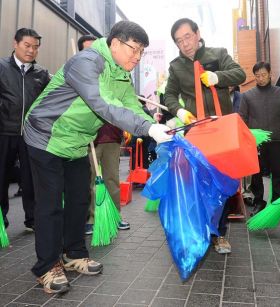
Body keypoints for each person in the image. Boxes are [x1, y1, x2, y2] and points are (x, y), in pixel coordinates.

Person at [23, 21, 172, 294]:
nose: (138, 58)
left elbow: (129, 106)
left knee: (80, 199)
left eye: (142, 52)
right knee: (51, 203)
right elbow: (103, 103)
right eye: (134, 49)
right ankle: (46, 266)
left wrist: (156, 127)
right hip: (46, 135)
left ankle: (74, 253)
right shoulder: (87, 62)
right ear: (115, 43)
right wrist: (147, 128)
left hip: (77, 141)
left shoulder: (121, 73)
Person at [163, 18, 246, 254]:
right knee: (197, 182)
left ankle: (219, 233)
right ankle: (198, 229)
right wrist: (180, 111)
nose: (185, 44)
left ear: (197, 33)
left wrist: (217, 77)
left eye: (188, 36)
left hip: (222, 130)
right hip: (196, 130)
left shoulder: (217, 54)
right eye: (179, 41)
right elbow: (169, 95)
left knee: (223, 183)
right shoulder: (176, 66)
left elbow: (239, 74)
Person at [77, 35, 130, 235]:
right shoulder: (78, 76)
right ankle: (91, 218)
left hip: (111, 135)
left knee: (111, 178)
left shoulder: (113, 72)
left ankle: (115, 215)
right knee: (90, 179)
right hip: (89, 138)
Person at [0, 28, 51, 231]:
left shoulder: (42, 74)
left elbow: (49, 103)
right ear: (16, 43)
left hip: (31, 135)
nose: (31, 51)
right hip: (4, 131)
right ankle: (1, 219)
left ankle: (32, 219)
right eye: (27, 45)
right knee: (1, 177)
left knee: (31, 178)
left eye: (35, 47)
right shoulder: (1, 67)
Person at [239, 62, 280, 216]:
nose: (261, 78)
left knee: (277, 173)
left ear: (270, 74)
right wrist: (246, 139)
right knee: (256, 174)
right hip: (257, 142)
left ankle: (277, 205)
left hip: (277, 140)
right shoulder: (247, 96)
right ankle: (258, 203)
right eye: (257, 76)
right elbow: (242, 119)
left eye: (263, 75)